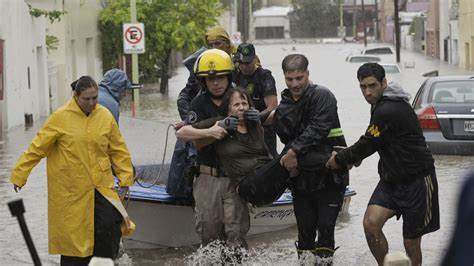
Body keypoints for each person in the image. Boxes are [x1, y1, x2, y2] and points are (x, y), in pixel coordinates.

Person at [10, 76, 135, 265]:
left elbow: (118, 150)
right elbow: (37, 148)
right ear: (76, 96)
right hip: (71, 190)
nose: (92, 103)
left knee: (110, 225)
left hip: (101, 186)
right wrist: (20, 175)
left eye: (95, 98)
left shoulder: (104, 116)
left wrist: (126, 178)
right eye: (87, 99)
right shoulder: (60, 118)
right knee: (74, 241)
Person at [326, 63, 439, 266]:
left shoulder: (389, 108)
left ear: (384, 83)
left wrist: (340, 160)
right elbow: (375, 139)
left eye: (372, 86)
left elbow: (368, 143)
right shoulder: (379, 103)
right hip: (391, 180)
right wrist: (354, 156)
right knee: (371, 224)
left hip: (418, 181)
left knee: (411, 242)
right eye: (363, 87)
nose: (367, 92)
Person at [273, 54, 348, 263]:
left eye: (299, 78)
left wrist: (293, 152)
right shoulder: (285, 105)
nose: (295, 84)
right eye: (290, 79)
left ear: (307, 74)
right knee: (305, 233)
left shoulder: (323, 96)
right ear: (284, 78)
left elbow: (318, 129)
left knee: (325, 228)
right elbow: (284, 135)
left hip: (330, 176)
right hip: (301, 178)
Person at [176, 49, 252, 249]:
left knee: (235, 234)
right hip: (207, 177)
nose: (216, 83)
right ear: (203, 81)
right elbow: (189, 136)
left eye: (220, 78)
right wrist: (211, 132)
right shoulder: (198, 104)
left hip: (234, 178)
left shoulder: (240, 100)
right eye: (210, 80)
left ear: (228, 77)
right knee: (209, 233)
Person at [168, 25, 235, 199]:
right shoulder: (202, 64)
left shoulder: (241, 62)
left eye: (218, 43)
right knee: (184, 148)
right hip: (202, 119)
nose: (214, 48)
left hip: (234, 124)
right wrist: (189, 120)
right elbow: (184, 95)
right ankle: (182, 191)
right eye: (210, 44)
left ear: (227, 44)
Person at [233, 43, 278, 156]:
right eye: (241, 63)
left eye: (248, 63)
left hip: (263, 127)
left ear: (254, 59)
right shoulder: (234, 75)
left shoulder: (265, 77)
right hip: (239, 126)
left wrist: (258, 116)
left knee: (268, 158)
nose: (244, 66)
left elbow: (272, 106)